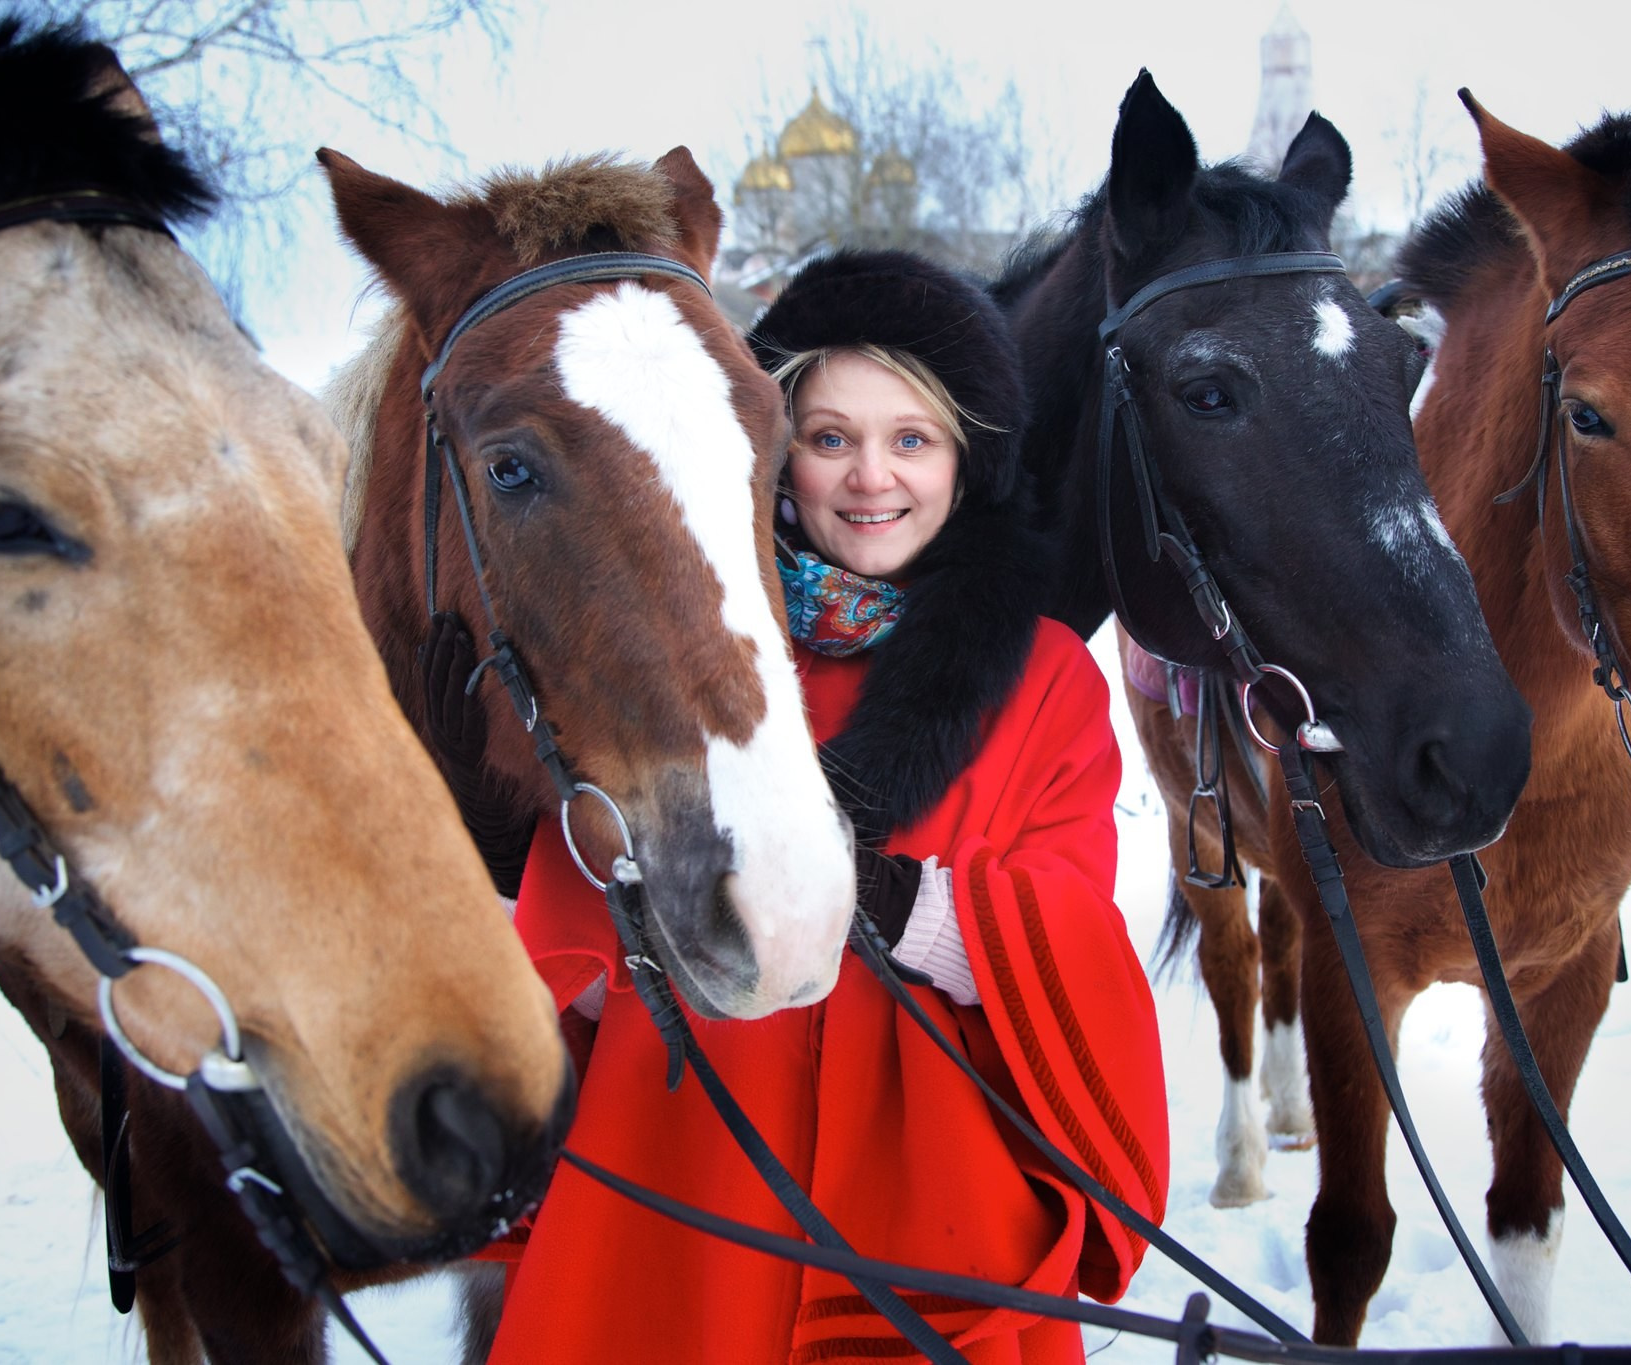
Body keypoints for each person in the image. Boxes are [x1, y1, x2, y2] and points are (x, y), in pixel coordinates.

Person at [485, 250, 1169, 1364]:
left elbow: (1071, 925)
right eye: (830, 437)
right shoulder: (681, 653)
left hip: (930, 1204)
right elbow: (572, 912)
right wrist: (624, 919)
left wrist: (916, 907)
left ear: (966, 462)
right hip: (685, 1169)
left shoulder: (1043, 679)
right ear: (776, 454)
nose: (870, 479)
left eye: (913, 440)